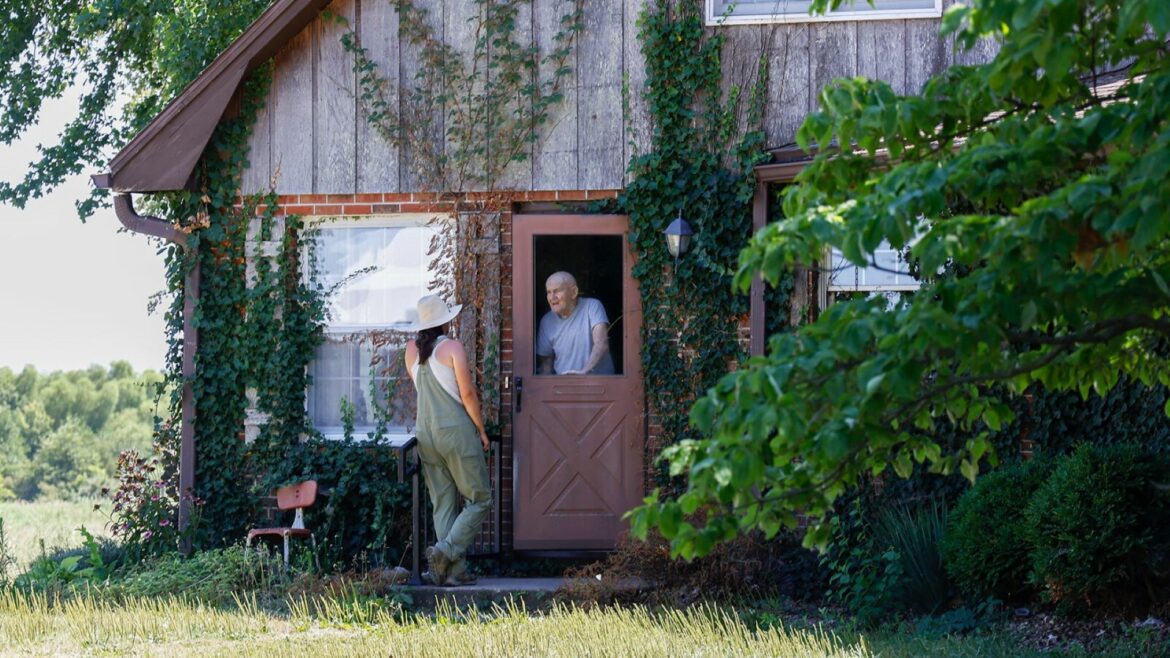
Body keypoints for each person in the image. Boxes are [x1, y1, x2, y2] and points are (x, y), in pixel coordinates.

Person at [404, 294, 492, 586]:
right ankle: (445, 550)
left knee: (442, 504)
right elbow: (467, 395)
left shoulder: (410, 351)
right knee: (480, 498)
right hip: (454, 431)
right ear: (446, 321)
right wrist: (480, 429)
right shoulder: (452, 347)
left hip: (425, 434)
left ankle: (452, 572)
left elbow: (422, 390)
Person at [536, 271, 614, 375]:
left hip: (599, 385)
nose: (552, 297)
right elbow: (546, 364)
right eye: (548, 292)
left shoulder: (592, 306)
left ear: (574, 292)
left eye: (557, 291)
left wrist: (583, 372)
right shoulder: (546, 321)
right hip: (564, 386)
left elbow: (601, 344)